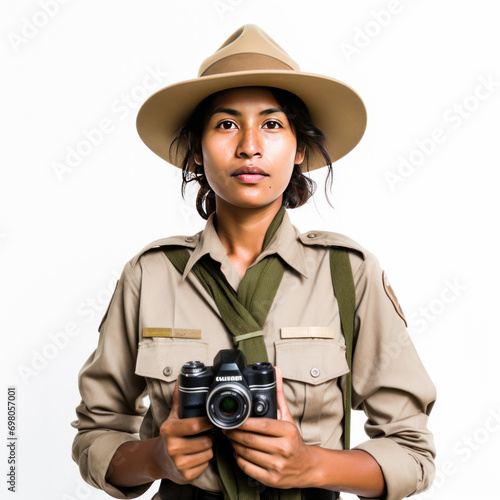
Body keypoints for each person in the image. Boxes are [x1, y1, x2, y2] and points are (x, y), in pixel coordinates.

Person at [71, 25, 436, 500]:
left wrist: (311, 465)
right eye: (225, 124)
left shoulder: (348, 272)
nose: (249, 146)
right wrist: (156, 458)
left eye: (271, 124)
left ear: (299, 148)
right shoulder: (150, 273)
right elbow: (94, 435)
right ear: (196, 151)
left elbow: (413, 452)